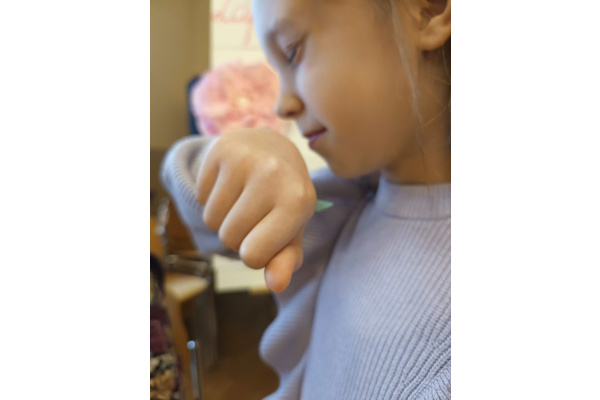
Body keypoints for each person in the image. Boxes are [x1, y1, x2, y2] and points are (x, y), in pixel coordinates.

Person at [161, 0, 451, 398]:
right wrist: (221, 159)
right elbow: (201, 211)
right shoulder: (348, 200)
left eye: (293, 51)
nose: (282, 105)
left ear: (429, 9)